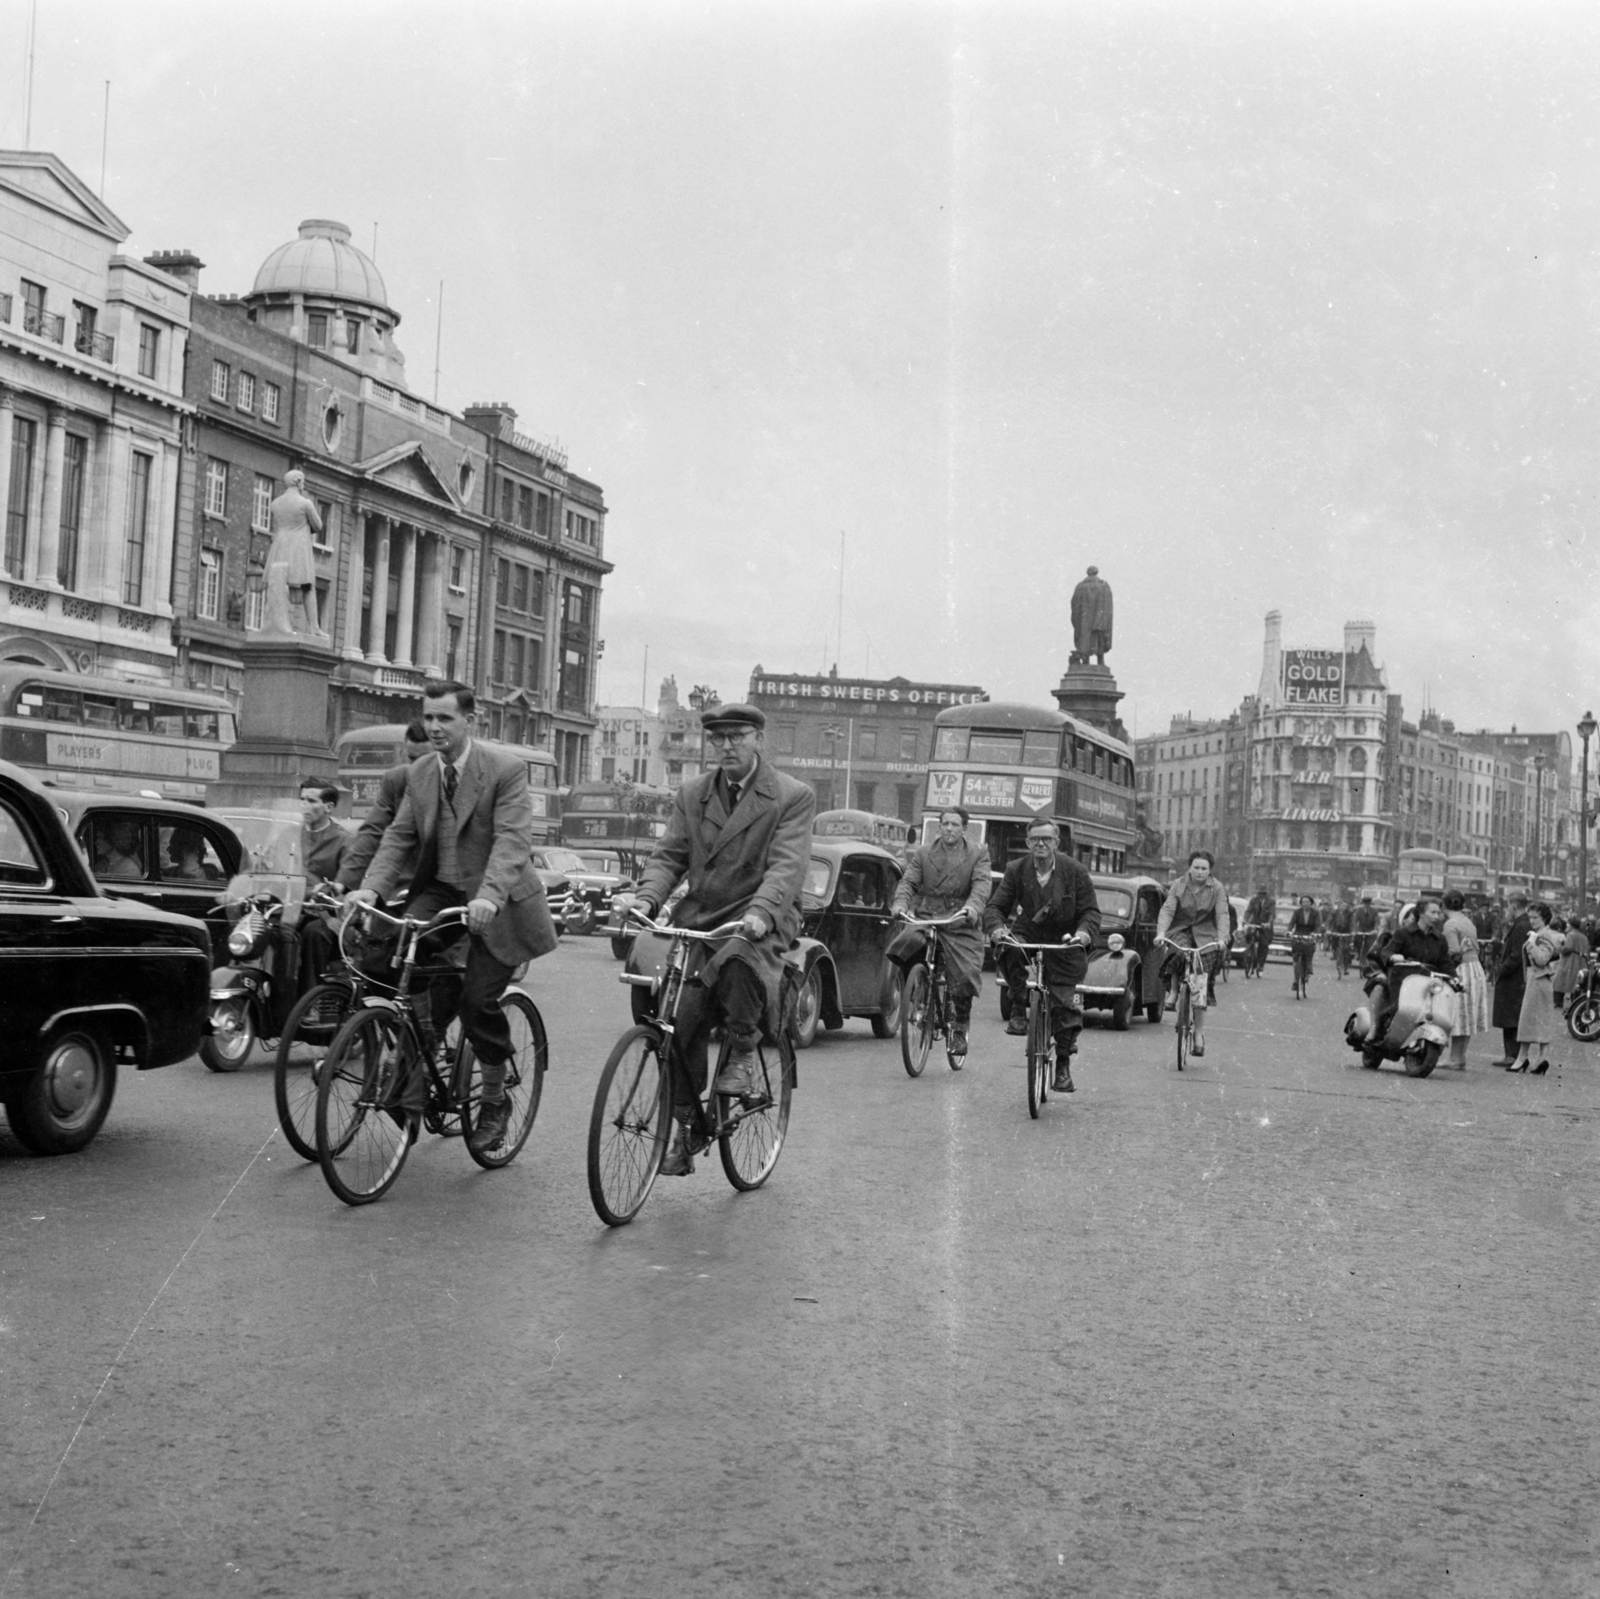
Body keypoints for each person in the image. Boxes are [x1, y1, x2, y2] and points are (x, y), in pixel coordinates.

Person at [349, 681, 559, 1155]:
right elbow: (398, 838)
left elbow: (511, 842)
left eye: (445, 718)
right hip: (442, 891)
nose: (435, 727)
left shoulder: (504, 769)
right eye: (429, 717)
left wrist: (486, 897)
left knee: (477, 999)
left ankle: (493, 1098)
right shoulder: (422, 772)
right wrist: (370, 888)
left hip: (498, 902)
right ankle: (423, 1050)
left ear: (470, 721)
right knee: (388, 955)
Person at [617, 702, 814, 1177]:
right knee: (677, 1020)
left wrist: (762, 912)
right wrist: (647, 900)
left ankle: (744, 1050)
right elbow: (669, 856)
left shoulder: (791, 795)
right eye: (718, 739)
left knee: (740, 962)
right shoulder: (693, 793)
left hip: (762, 914)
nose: (726, 747)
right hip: (704, 914)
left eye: (737, 737)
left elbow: (787, 866)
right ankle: (687, 1128)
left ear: (758, 740)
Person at [983, 818, 1099, 1092]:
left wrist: (1082, 935)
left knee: (1063, 1003)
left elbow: (1091, 913)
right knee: (1010, 948)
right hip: (1030, 931)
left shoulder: (1075, 871)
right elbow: (996, 907)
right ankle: (1018, 1007)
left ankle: (1062, 1066)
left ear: (1057, 843)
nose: (1041, 844)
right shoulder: (1016, 869)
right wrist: (997, 928)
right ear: (1027, 843)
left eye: (1046, 839)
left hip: (1065, 938)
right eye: (1035, 839)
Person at [889, 806, 990, 1060]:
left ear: (964, 828)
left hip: (959, 921)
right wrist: (900, 902)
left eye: (955, 825)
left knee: (965, 973)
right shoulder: (924, 853)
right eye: (945, 824)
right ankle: (917, 992)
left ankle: (958, 1027)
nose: (949, 829)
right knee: (904, 946)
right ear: (939, 826)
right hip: (928, 916)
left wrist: (973, 907)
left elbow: (981, 885)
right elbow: (909, 881)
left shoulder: (978, 853)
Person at [337, 720, 433, 893]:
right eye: (412, 759)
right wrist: (343, 883)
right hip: (400, 886)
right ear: (404, 752)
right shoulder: (395, 780)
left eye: (425, 761)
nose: (417, 768)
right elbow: (371, 832)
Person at [1154, 850, 1230, 1057]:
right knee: (1178, 951)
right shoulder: (1178, 884)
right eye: (1196, 867)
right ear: (1189, 867)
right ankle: (1174, 991)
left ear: (1210, 870)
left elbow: (1222, 913)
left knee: (1199, 985)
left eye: (1204, 868)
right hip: (1181, 930)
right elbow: (1168, 909)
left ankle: (1198, 1032)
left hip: (1206, 935)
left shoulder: (1217, 888)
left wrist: (1223, 938)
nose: (1199, 872)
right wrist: (1161, 933)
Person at [1362, 897, 1457, 1043]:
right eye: (1433, 912)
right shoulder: (1403, 933)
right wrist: (1394, 957)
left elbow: (1445, 962)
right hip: (1402, 981)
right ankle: (1375, 1029)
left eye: (1438, 913)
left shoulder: (1440, 939)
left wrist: (1454, 977)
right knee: (1390, 999)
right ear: (1421, 912)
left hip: (1428, 983)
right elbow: (1386, 952)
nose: (1437, 917)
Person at [265, 469, 324, 633]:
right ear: (298, 482)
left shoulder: (275, 503)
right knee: (307, 586)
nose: (303, 484)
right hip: (299, 546)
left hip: (280, 545)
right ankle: (314, 626)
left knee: (278, 585)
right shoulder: (306, 504)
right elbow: (318, 525)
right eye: (302, 481)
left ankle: (276, 623)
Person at [1510, 903, 1562, 1074]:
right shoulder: (1542, 933)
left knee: (1528, 1020)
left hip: (1538, 980)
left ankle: (1522, 1058)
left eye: (1535, 918)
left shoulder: (1543, 935)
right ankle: (1541, 1058)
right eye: (1530, 917)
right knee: (1539, 1020)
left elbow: (1542, 959)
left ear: (1544, 919)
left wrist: (1532, 942)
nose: (1531, 921)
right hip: (1539, 980)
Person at [1441, 890, 1488, 1068]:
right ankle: (1460, 1057)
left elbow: (1453, 952)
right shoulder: (1468, 922)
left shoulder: (1450, 924)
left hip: (1461, 970)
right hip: (1475, 969)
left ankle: (1453, 1058)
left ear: (1443, 904)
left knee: (1458, 1014)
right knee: (1467, 1015)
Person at [1491, 892, 1531, 1067]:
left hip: (1513, 980)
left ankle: (1511, 1055)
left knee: (1510, 1018)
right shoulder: (1520, 924)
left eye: (1508, 906)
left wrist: (1501, 970)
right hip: (1515, 979)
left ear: (1514, 906)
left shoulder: (1521, 926)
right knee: (1511, 1018)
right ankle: (1512, 1055)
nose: (1507, 910)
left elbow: (1516, 955)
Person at [1069, 566, 1113, 665]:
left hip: (1084, 621)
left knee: (1085, 640)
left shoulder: (1080, 587)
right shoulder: (1103, 586)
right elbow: (1107, 608)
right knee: (1099, 640)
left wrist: (1077, 621)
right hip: (1099, 620)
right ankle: (1100, 661)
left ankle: (1085, 661)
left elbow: (1074, 605)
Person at [1553, 915, 1588, 1013]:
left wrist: (1560, 948)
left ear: (1571, 925)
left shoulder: (1571, 935)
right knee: (1577, 984)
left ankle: (1558, 1003)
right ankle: (1575, 1005)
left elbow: (1568, 947)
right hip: (1582, 961)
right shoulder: (1583, 936)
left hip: (1570, 960)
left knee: (1561, 981)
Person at [1287, 894, 1320, 982]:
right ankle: (1295, 980)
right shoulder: (1297, 912)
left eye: (1307, 902)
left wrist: (1316, 933)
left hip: (1310, 935)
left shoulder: (1316, 913)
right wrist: (1289, 931)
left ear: (1311, 903)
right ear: (1301, 903)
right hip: (1298, 935)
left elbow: (1318, 926)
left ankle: (1308, 971)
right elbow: (1291, 923)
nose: (1305, 904)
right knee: (1296, 959)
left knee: (1309, 954)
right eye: (1303, 902)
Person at [1244, 884, 1276, 972]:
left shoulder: (1271, 901)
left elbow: (1272, 914)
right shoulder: (1253, 900)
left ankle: (1260, 964)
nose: (1261, 895)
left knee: (1264, 944)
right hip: (1255, 923)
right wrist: (1245, 920)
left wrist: (1269, 923)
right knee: (1248, 936)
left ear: (1266, 894)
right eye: (1259, 893)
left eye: (1263, 894)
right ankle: (1250, 952)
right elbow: (1249, 911)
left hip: (1265, 925)